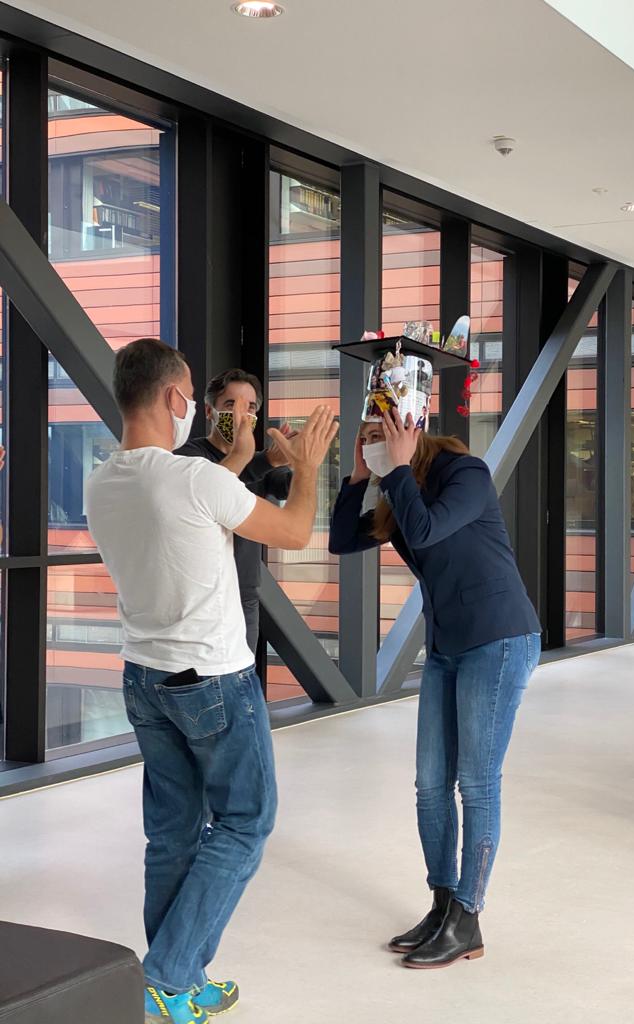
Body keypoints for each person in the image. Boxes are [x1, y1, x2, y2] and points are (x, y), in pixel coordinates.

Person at [84, 338, 337, 1024]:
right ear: (174, 397)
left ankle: (180, 982)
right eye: (194, 394)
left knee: (172, 833)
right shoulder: (196, 481)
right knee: (246, 821)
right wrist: (307, 466)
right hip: (213, 681)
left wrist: (239, 456)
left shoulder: (102, 482)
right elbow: (293, 531)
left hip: (145, 678)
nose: (197, 405)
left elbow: (189, 500)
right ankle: (167, 975)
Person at [329, 408, 540, 970]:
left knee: (477, 783)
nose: (373, 445)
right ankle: (443, 903)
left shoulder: (463, 473)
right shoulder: (396, 489)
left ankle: (467, 917)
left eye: (381, 435)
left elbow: (425, 529)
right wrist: (359, 477)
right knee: (429, 784)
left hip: (498, 639)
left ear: (412, 429)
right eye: (365, 438)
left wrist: (397, 469)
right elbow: (342, 540)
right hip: (447, 646)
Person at [176, 368, 294, 654]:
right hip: (202, 597)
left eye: (250, 407)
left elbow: (288, 490)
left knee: (244, 673)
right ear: (209, 411)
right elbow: (214, 488)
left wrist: (303, 460)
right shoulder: (189, 456)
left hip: (245, 592)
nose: (242, 414)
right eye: (231, 404)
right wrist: (266, 460)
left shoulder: (260, 461)